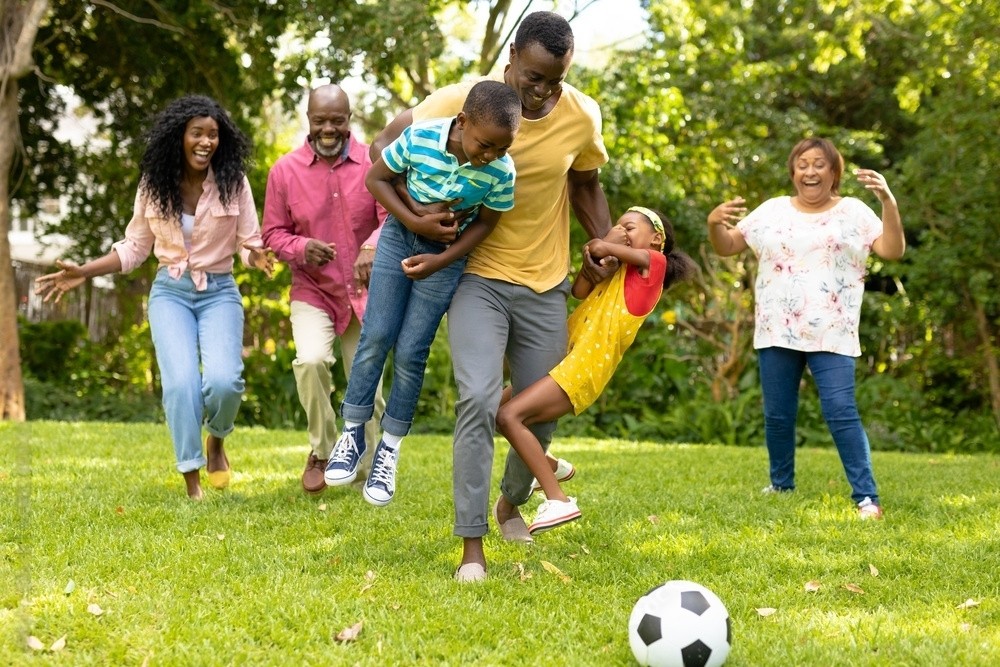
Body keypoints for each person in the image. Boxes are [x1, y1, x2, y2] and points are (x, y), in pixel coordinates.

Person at [370, 11, 618, 582]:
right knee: (478, 400)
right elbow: (388, 145)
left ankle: (511, 502)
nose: (543, 92)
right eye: (533, 78)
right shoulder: (461, 99)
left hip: (545, 280)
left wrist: (601, 243)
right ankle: (471, 547)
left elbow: (585, 183)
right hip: (475, 276)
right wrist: (414, 218)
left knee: (542, 412)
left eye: (555, 81)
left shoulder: (581, 115)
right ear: (510, 62)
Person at [34, 94, 274, 500]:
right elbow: (133, 248)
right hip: (171, 294)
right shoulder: (155, 184)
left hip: (219, 291)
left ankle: (217, 440)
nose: (206, 141)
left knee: (224, 382)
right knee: (180, 384)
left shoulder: (234, 182)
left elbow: (248, 242)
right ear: (178, 136)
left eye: (213, 134)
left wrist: (258, 254)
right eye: (196, 133)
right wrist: (85, 272)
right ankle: (192, 481)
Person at [323, 80, 522, 508]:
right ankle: (352, 432)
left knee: (413, 351)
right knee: (376, 336)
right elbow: (376, 178)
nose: (490, 156)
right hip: (399, 236)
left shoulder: (501, 172)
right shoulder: (422, 137)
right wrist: (415, 221)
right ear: (463, 121)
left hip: (446, 257)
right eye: (485, 145)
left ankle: (389, 450)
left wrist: (441, 259)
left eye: (500, 150)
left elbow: (487, 224)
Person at [707, 136, 905, 520]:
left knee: (840, 409)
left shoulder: (853, 211)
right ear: (793, 171)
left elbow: (892, 250)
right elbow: (727, 245)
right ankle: (781, 485)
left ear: (834, 172)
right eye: (802, 164)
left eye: (819, 164)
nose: (810, 171)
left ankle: (866, 497)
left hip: (833, 330)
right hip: (776, 328)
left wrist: (888, 202)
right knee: (778, 414)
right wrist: (714, 224)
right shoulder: (773, 210)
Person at [496, 207, 696, 534]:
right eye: (620, 225)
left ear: (656, 238)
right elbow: (579, 291)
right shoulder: (620, 272)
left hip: (582, 371)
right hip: (564, 360)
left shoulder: (654, 266)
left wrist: (606, 241)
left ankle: (558, 499)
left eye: (629, 226)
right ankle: (548, 466)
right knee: (495, 411)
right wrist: (600, 261)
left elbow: (602, 247)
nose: (622, 230)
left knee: (509, 417)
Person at [261, 83, 387, 495]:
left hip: (364, 292)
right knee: (312, 361)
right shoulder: (285, 171)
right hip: (313, 290)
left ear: (349, 119)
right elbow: (272, 234)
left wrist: (371, 246)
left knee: (367, 383)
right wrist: (300, 247)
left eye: (337, 120)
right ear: (309, 120)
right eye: (321, 121)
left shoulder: (374, 161)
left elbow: (394, 219)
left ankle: (370, 463)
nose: (329, 128)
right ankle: (322, 450)